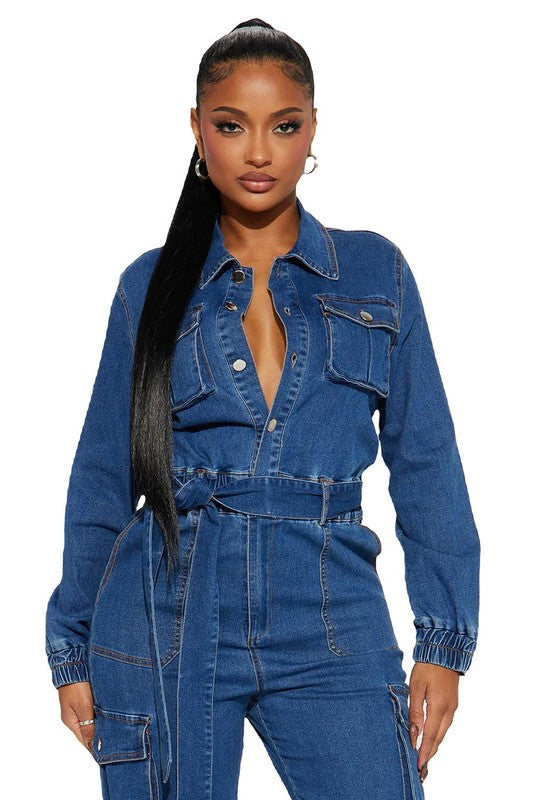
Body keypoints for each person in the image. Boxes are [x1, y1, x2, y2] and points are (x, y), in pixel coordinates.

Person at [45, 18, 480, 800]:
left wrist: (442, 643)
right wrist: (71, 648)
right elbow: (104, 474)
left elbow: (427, 462)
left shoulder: (373, 270)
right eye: (230, 125)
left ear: (311, 130)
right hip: (167, 608)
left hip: (330, 607)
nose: (256, 152)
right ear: (196, 130)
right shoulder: (148, 285)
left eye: (282, 126)